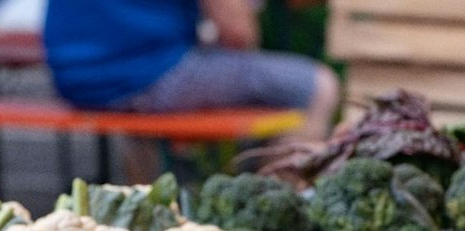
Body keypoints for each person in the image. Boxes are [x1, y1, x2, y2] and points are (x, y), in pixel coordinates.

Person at [44, 0, 339, 139]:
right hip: (150, 75)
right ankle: (280, 213)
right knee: (317, 84)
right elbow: (236, 32)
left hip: (75, 79)